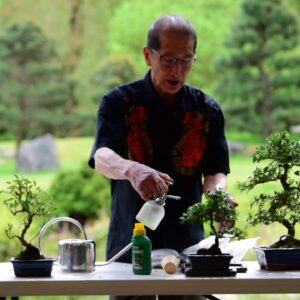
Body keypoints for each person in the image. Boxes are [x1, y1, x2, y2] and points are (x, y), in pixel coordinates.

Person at [89, 14, 237, 300]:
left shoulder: (207, 110)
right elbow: (102, 156)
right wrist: (132, 169)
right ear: (148, 55)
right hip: (130, 248)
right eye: (168, 59)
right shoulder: (119, 102)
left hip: (190, 249)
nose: (177, 70)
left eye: (187, 60)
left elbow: (216, 171)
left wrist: (218, 197)